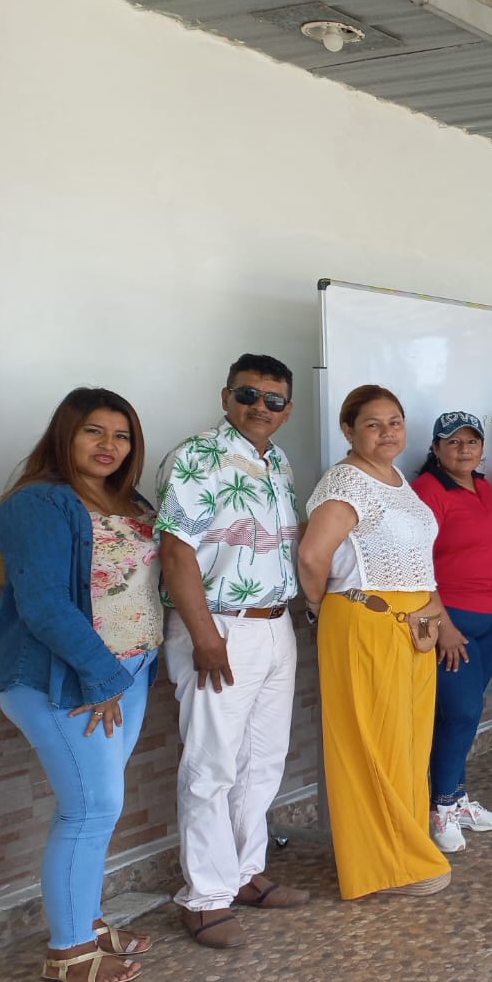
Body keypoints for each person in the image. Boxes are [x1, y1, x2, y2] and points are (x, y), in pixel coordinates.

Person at [0, 388, 160, 982]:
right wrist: (101, 676)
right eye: (94, 431)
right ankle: (68, 950)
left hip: (127, 673)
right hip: (66, 678)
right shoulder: (38, 502)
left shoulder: (129, 501)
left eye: (121, 435)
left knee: (99, 808)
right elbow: (42, 602)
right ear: (65, 434)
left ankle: (87, 922)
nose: (109, 445)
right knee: (91, 807)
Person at [158, 354, 311, 950]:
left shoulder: (279, 462)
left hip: (274, 625)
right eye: (248, 395)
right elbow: (177, 552)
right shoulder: (196, 456)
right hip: (218, 627)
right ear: (226, 397)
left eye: (274, 400)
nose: (260, 407)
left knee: (263, 759)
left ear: (287, 409)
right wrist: (204, 636)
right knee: (211, 766)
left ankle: (245, 873)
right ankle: (204, 897)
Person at [299, 386, 452, 899]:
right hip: (366, 618)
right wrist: (321, 608)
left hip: (412, 626)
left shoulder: (397, 479)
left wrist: (433, 613)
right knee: (373, 741)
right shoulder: (346, 481)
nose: (387, 432)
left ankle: (406, 847)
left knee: (408, 742)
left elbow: (416, 561)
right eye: (373, 424)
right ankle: (384, 865)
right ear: (348, 430)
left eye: (395, 422)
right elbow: (312, 557)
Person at [412, 411, 492, 852]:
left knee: (465, 713)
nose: (464, 449)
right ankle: (441, 809)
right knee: (460, 713)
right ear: (436, 448)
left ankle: (457, 797)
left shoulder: (483, 486)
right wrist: (443, 626)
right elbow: (416, 565)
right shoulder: (427, 491)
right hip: (454, 623)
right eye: (453, 442)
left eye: (471, 441)